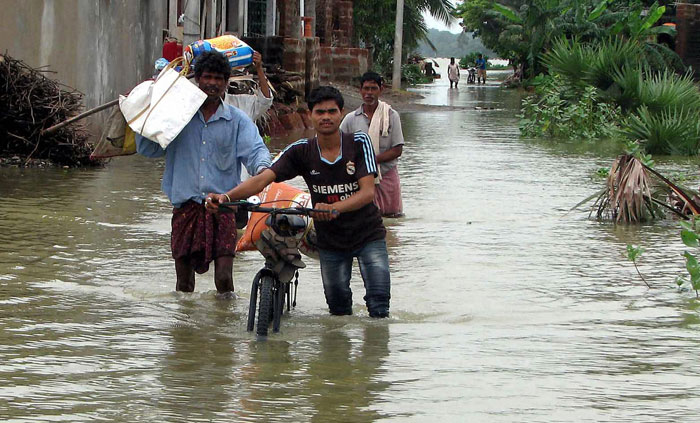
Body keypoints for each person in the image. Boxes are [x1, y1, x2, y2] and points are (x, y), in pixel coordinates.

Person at [206, 86, 391, 318]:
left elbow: (367, 193)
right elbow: (263, 179)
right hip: (330, 239)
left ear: (341, 113)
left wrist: (334, 208)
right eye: (320, 112)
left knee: (379, 304)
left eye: (332, 111)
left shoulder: (358, 142)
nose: (326, 117)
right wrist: (226, 197)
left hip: (368, 234)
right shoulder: (301, 151)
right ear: (310, 115)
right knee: (338, 309)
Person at [136, 50, 272, 295]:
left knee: (223, 279)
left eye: (219, 78)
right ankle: (185, 329)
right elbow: (148, 149)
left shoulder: (238, 121)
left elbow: (256, 154)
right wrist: (148, 112)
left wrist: (264, 172)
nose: (213, 83)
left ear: (226, 83)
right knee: (184, 284)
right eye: (207, 77)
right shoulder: (178, 118)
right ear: (197, 79)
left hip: (223, 207)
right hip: (185, 207)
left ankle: (224, 326)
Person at [339, 72, 404, 217]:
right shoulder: (351, 119)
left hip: (387, 174)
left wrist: (370, 161)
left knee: (392, 216)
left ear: (381, 89)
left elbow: (397, 150)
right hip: (360, 177)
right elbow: (339, 145)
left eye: (373, 88)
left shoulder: (391, 116)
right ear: (360, 90)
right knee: (364, 216)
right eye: (366, 88)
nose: (369, 93)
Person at [224, 51, 273, 122]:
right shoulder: (206, 107)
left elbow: (265, 100)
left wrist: (259, 68)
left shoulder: (243, 103)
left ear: (227, 83)